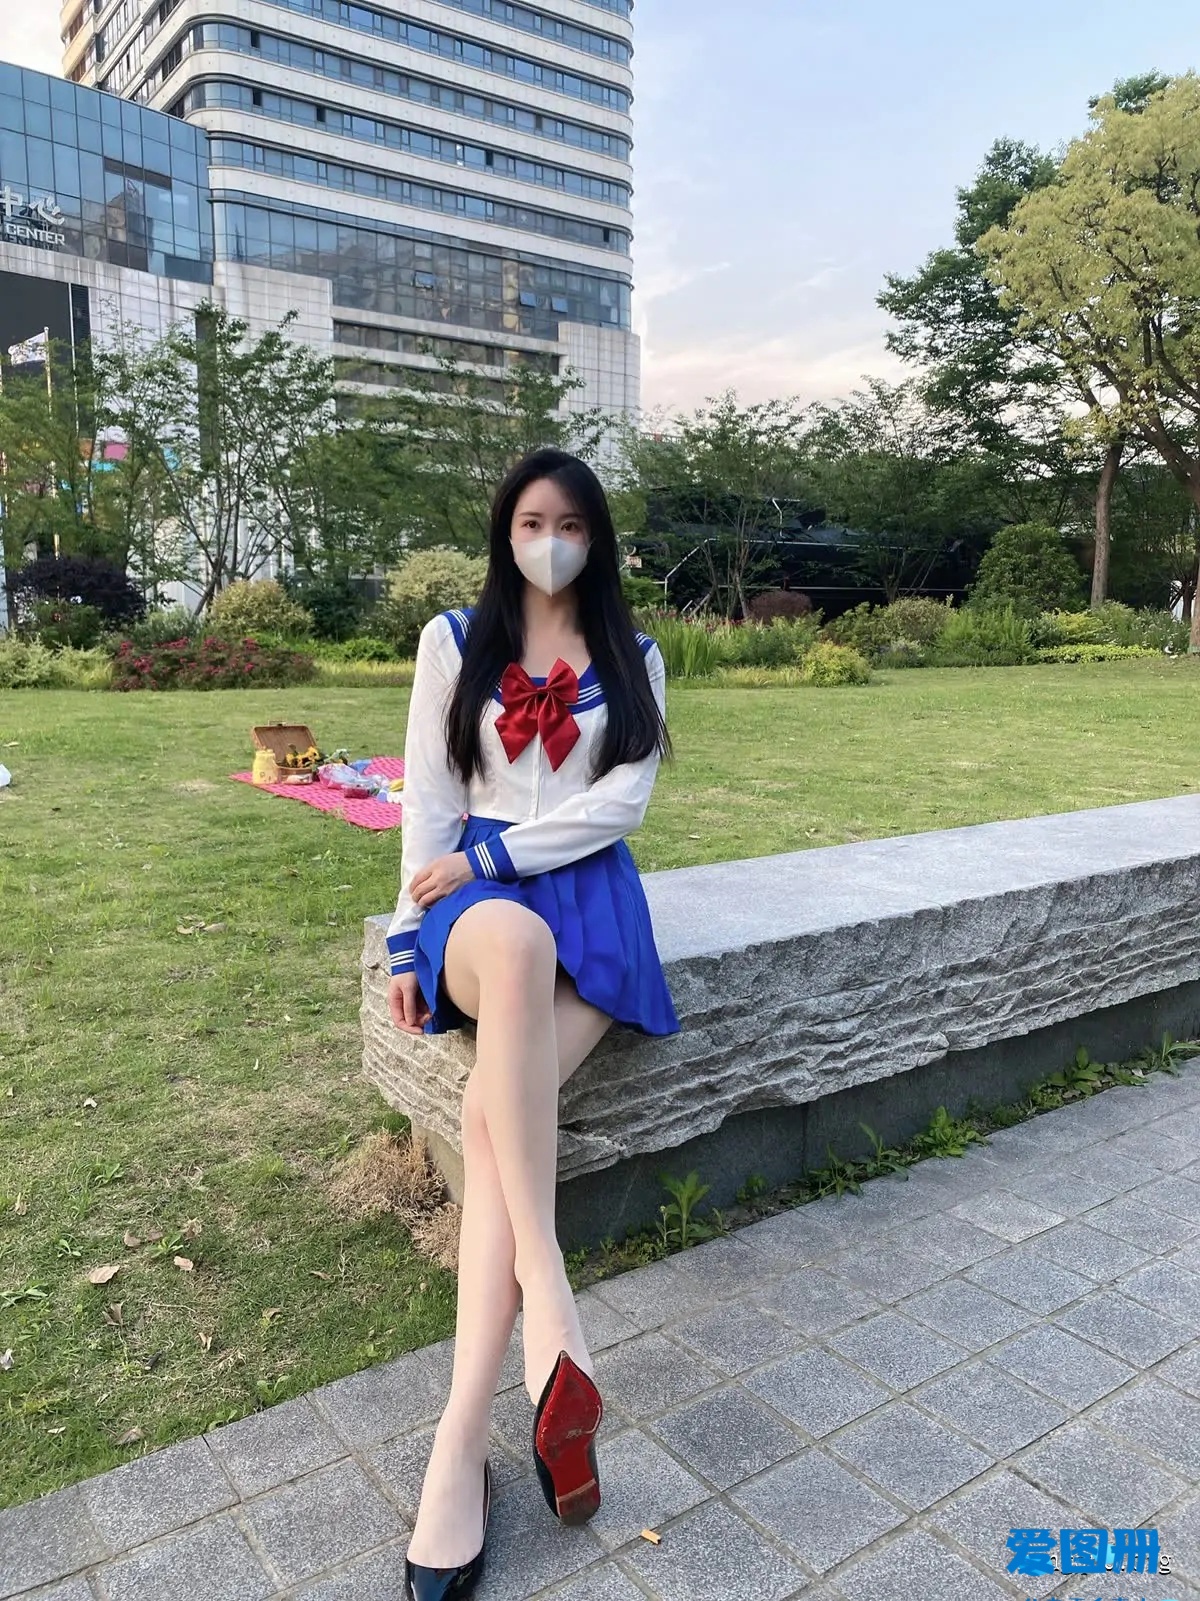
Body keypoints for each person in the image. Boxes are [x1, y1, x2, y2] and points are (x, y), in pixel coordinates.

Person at [385, 447, 680, 1599]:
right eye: (529, 521)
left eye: (569, 523)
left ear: (595, 539)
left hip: (591, 905)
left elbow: (622, 803)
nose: (549, 541)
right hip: (477, 907)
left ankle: (460, 1441)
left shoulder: (635, 656)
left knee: (488, 1115)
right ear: (504, 532)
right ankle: (554, 1308)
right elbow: (428, 797)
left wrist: (498, 854)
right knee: (507, 942)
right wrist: (407, 935)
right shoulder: (454, 642)